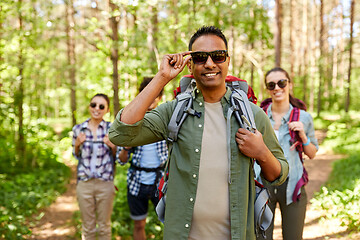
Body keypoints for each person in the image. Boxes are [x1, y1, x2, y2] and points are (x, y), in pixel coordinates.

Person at [109, 26, 289, 240]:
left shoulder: (252, 115)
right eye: (201, 57)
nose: (210, 63)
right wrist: (162, 78)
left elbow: (278, 174)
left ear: (228, 61)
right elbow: (120, 134)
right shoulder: (173, 112)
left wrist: (261, 152)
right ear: (190, 65)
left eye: (218, 56)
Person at [257, 67, 318, 240]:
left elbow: (312, 153)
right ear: (268, 89)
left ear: (289, 84)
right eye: (271, 84)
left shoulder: (304, 117)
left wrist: (303, 136)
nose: (277, 88)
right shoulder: (258, 116)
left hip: (293, 186)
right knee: (262, 237)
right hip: (263, 185)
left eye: (281, 82)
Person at [118, 77, 168, 240]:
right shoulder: (131, 120)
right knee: (139, 224)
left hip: (161, 181)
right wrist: (126, 147)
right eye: (147, 93)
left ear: (160, 97)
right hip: (136, 181)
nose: (152, 98)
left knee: (170, 223)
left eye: (156, 94)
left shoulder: (167, 119)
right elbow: (122, 160)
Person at [72, 93, 119, 240]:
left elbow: (118, 157)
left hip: (105, 182)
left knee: (104, 226)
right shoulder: (78, 129)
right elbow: (75, 155)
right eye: (93, 105)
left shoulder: (112, 129)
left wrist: (113, 146)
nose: (96, 109)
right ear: (89, 107)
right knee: (88, 227)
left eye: (101, 106)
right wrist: (77, 145)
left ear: (107, 110)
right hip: (84, 183)